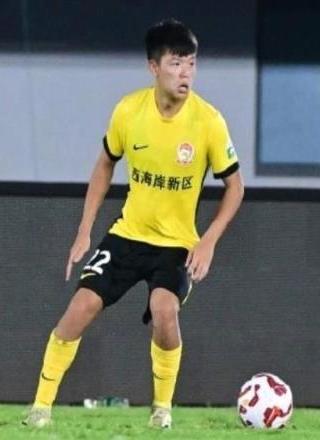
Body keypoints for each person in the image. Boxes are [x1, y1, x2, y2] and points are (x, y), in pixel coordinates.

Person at [23, 18, 244, 429]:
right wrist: (85, 231)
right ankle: (40, 408)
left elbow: (235, 186)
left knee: (164, 310)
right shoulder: (129, 111)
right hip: (128, 234)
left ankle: (161, 409)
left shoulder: (208, 121)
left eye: (191, 64)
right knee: (81, 305)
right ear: (153, 67)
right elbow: (105, 164)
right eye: (176, 63)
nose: (186, 74)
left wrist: (209, 240)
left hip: (177, 243)